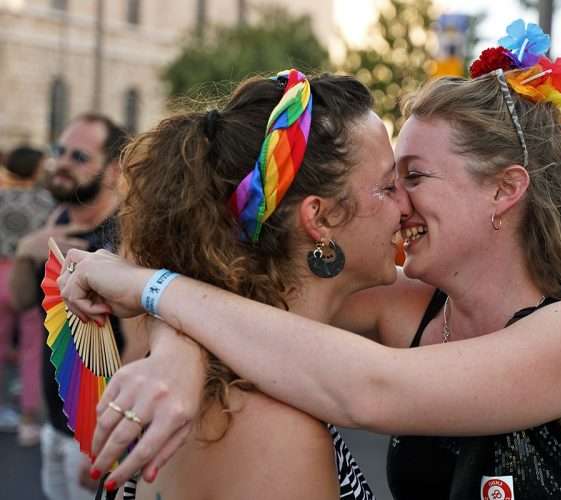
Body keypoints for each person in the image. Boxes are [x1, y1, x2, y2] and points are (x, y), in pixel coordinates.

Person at [62, 21, 561, 500]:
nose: (402, 201)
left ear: (504, 190)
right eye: (390, 181)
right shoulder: (408, 309)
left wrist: (150, 292)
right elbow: (240, 291)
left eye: (414, 175)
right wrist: (178, 352)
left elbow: (368, 387)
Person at [93, 70, 407, 499]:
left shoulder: (225, 379)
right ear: (320, 218)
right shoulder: (270, 431)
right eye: (389, 187)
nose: (406, 206)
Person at [9, 113, 129, 499]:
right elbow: (23, 300)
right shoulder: (58, 218)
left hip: (96, 440)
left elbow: (140, 346)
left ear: (112, 170)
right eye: (59, 151)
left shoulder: (126, 235)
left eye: (80, 157)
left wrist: (106, 446)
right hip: (53, 423)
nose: (62, 163)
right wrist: (29, 251)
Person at [0, 146, 55, 445]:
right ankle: (28, 420)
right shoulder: (45, 201)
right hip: (30, 276)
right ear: (36, 170)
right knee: (33, 349)